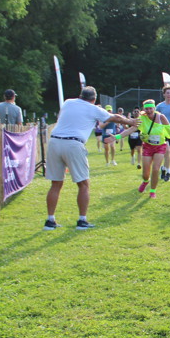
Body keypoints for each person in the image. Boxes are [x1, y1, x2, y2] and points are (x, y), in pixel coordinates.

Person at [44, 86, 136, 230]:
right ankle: (82, 220)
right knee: (83, 184)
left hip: (54, 142)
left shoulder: (68, 102)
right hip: (73, 143)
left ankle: (50, 221)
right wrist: (132, 122)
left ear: (80, 95)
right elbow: (116, 117)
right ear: (94, 99)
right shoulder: (93, 109)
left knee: (55, 184)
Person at [120, 99, 170, 198]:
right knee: (145, 173)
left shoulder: (161, 117)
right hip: (148, 147)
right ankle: (145, 181)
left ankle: (153, 191)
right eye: (147, 109)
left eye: (151, 108)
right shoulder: (142, 119)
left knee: (156, 169)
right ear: (144, 109)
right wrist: (117, 137)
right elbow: (132, 129)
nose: (149, 110)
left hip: (160, 146)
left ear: (154, 108)